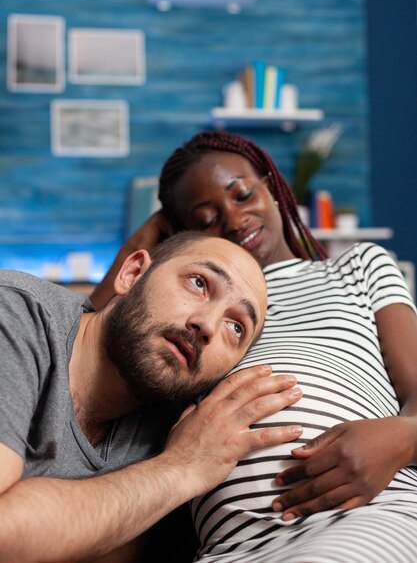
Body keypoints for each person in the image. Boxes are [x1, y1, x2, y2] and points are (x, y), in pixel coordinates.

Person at [94, 131, 417, 563]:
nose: (233, 218)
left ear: (273, 184)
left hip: (363, 517)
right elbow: (81, 340)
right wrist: (148, 241)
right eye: (206, 219)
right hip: (231, 547)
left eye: (243, 194)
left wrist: (401, 439)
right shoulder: (187, 311)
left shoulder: (356, 267)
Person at [0, 230, 309, 563]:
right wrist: (181, 467)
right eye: (199, 283)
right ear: (132, 274)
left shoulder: (178, 423)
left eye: (236, 327)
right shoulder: (16, 313)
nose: (207, 325)